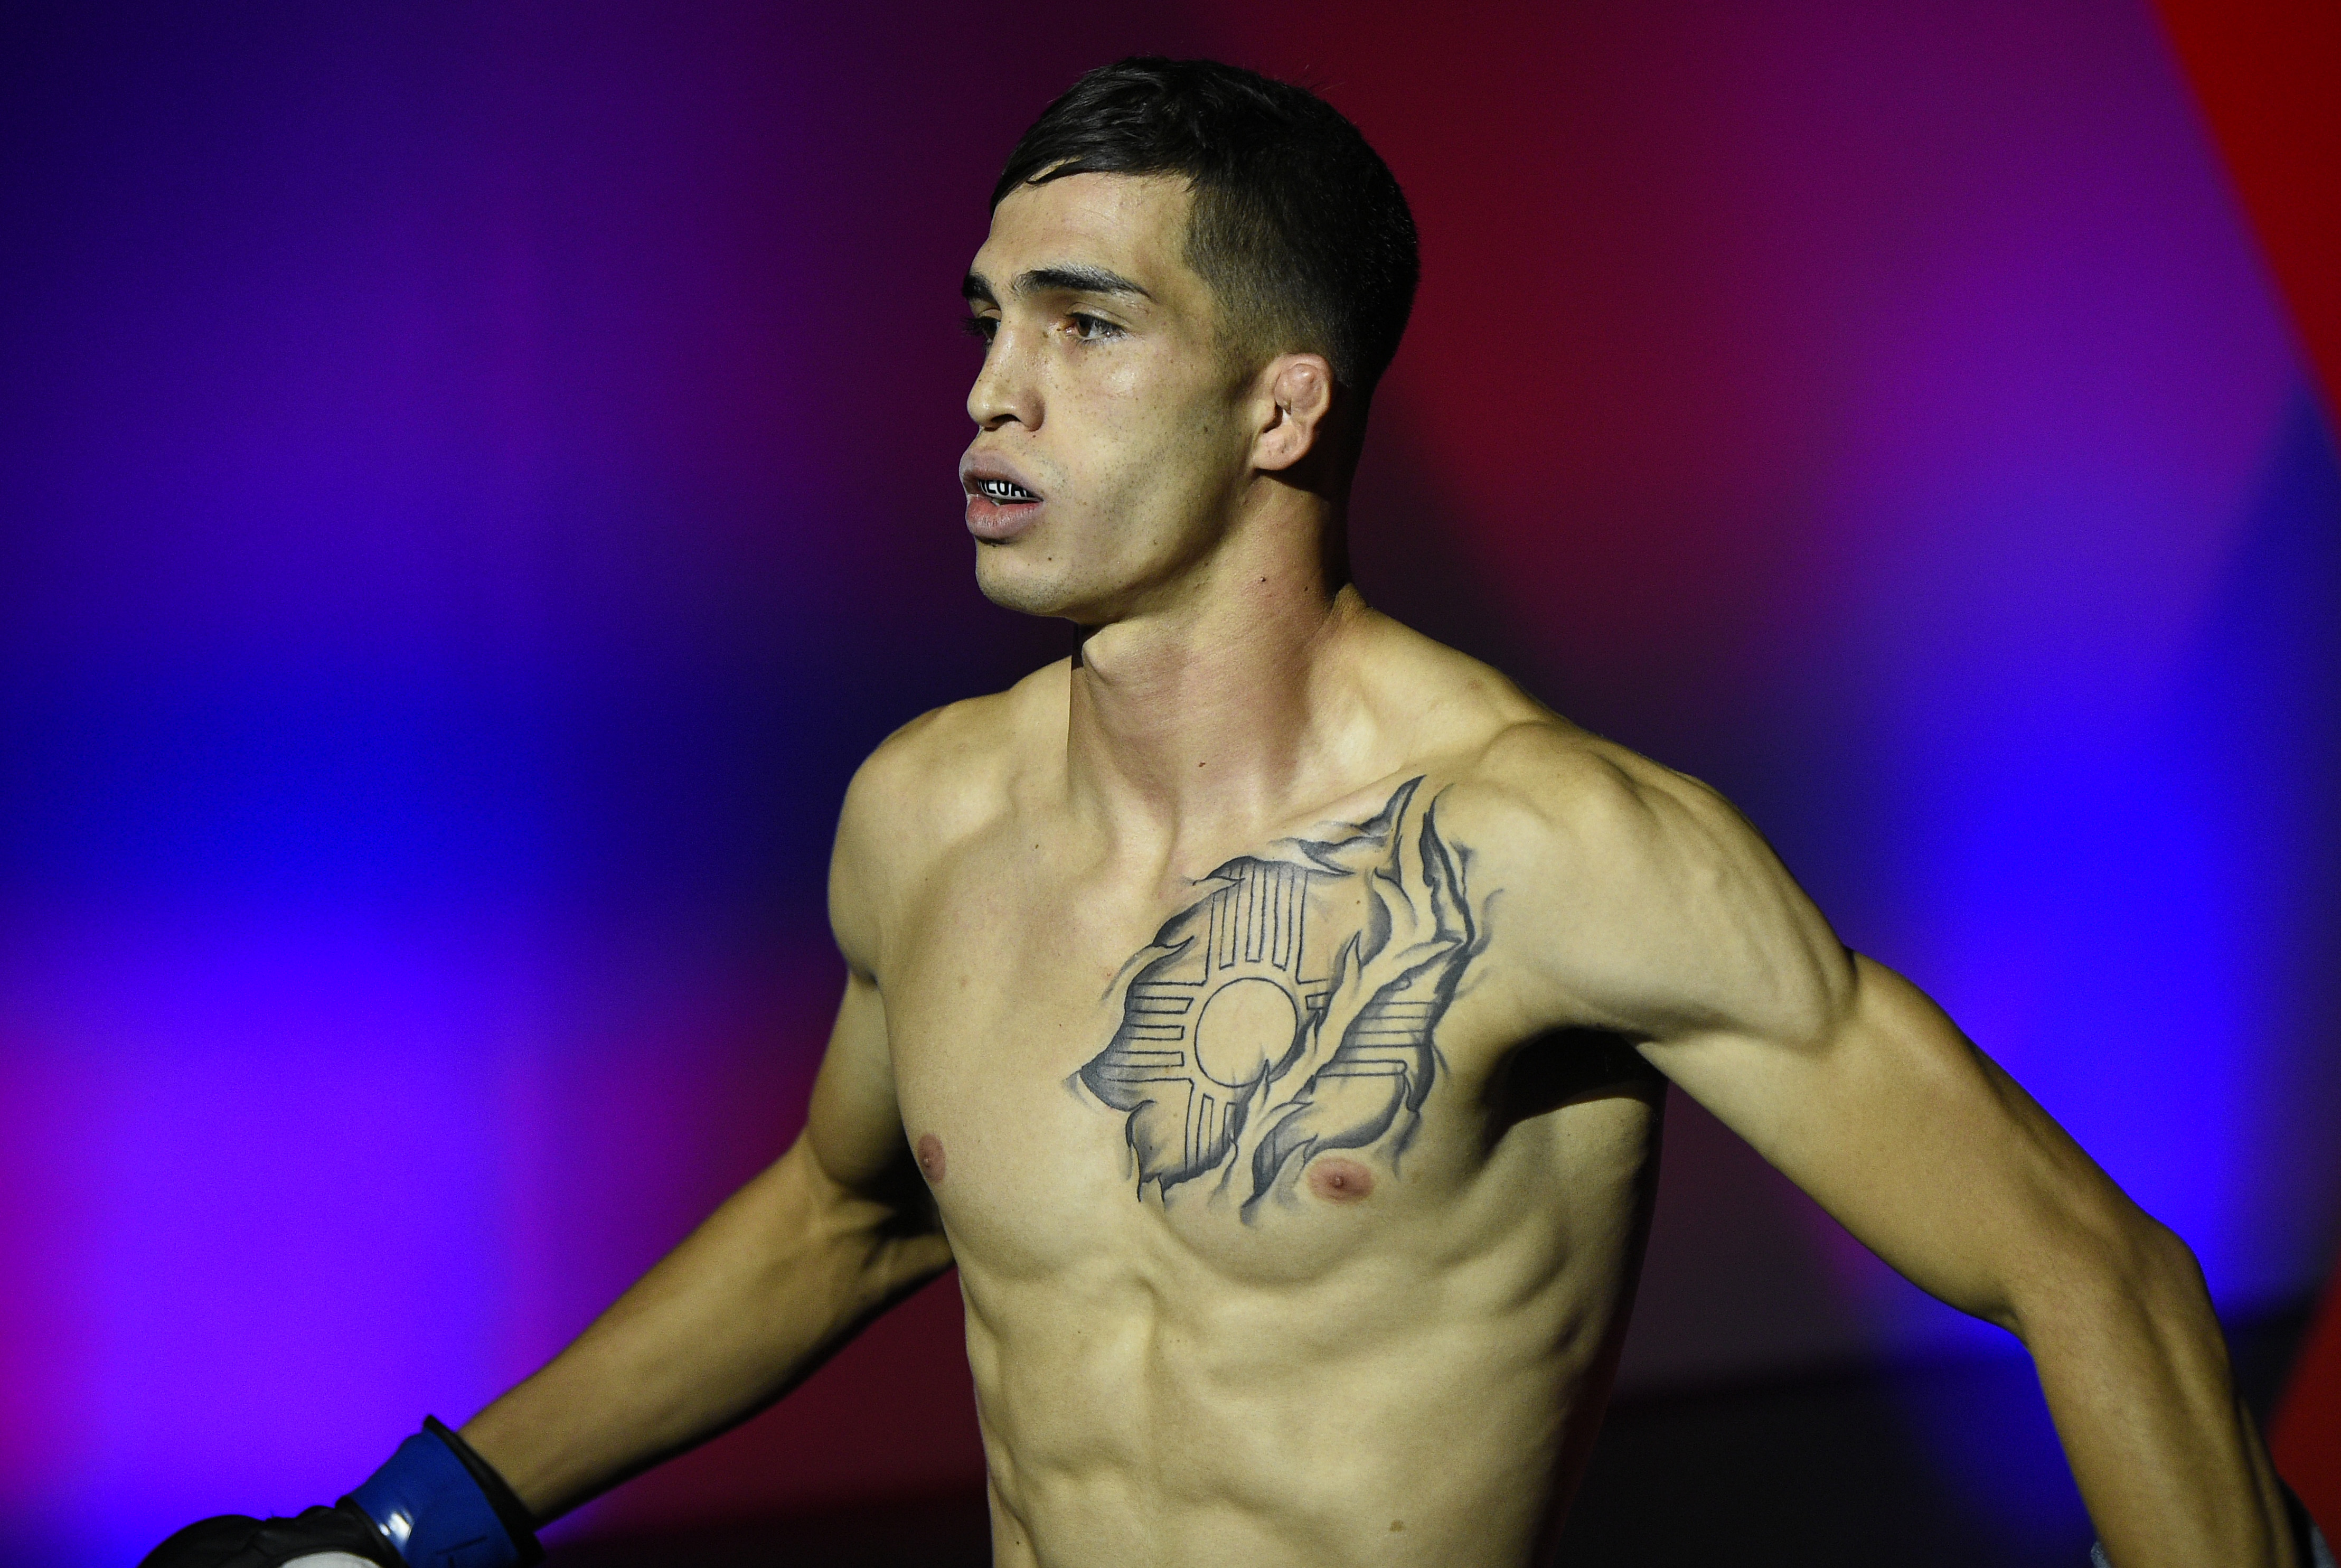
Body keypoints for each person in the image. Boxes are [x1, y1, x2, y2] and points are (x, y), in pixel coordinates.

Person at [148, 57, 2324, 1568]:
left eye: (1086, 325)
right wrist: (413, 1518)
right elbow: (841, 1215)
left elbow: (2086, 1264)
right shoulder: (927, 816)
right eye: (988, 318)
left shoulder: (1544, 847)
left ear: (1283, 400)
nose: (992, 385)